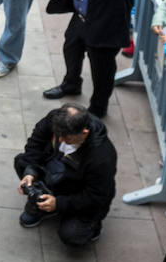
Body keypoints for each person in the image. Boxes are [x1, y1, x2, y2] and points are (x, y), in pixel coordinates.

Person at [13, 104, 116, 246]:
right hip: (56, 171)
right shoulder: (56, 120)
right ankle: (42, 202)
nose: (60, 140)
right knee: (21, 162)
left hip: (78, 189)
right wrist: (30, 172)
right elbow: (35, 144)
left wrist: (59, 204)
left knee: (72, 235)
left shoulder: (101, 158)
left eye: (66, 138)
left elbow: (95, 196)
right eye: (57, 135)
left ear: (84, 133)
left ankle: (92, 226)